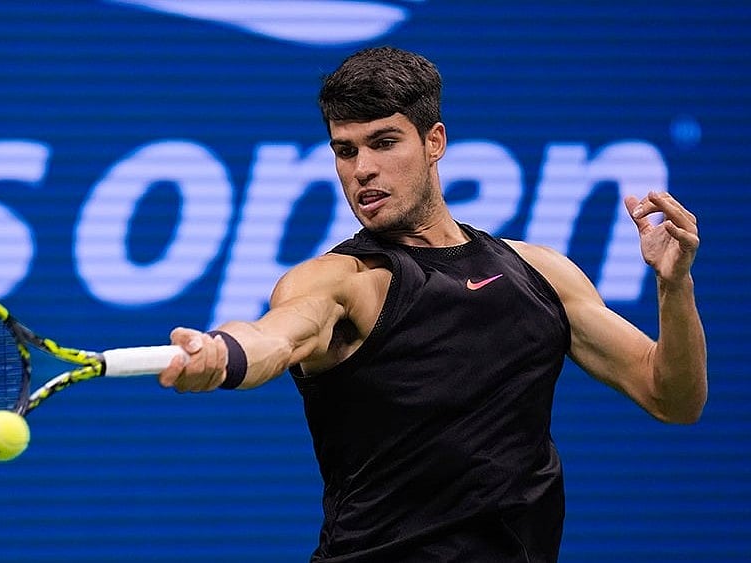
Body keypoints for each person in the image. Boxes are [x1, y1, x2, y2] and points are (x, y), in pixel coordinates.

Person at [158, 46, 707, 562]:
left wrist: (673, 286)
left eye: (383, 142)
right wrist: (223, 354)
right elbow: (277, 335)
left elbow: (672, 397)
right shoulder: (343, 281)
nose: (361, 169)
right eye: (344, 151)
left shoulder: (540, 273)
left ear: (434, 141)